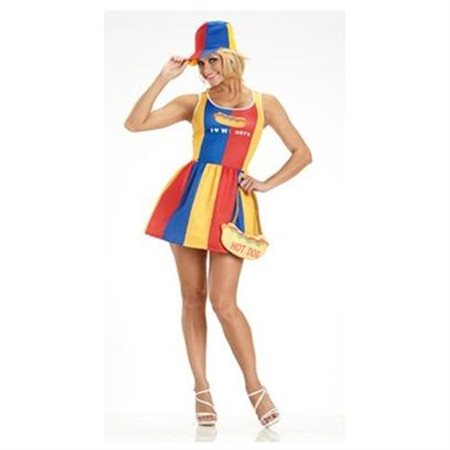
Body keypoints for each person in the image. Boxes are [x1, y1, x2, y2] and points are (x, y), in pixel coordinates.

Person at [124, 20, 313, 428]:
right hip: (190, 203)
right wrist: (163, 77)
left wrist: (265, 183)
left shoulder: (265, 104)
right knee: (193, 296)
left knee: (224, 303)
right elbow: (134, 123)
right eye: (201, 64)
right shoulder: (193, 103)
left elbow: (302, 153)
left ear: (230, 58)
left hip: (232, 207)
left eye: (213, 60)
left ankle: (254, 386)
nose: (206, 70)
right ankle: (202, 389)